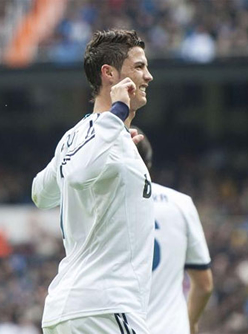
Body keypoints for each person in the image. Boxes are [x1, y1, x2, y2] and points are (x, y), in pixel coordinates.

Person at [32, 29, 155, 333]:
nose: (148, 76)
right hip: (106, 307)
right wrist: (116, 117)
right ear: (109, 74)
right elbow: (77, 173)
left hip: (73, 309)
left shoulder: (77, 137)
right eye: (139, 67)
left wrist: (111, 141)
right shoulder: (106, 130)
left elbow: (41, 193)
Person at [135, 129, 213, 334]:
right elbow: (204, 285)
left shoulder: (101, 206)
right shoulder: (180, 203)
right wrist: (191, 323)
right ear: (148, 164)